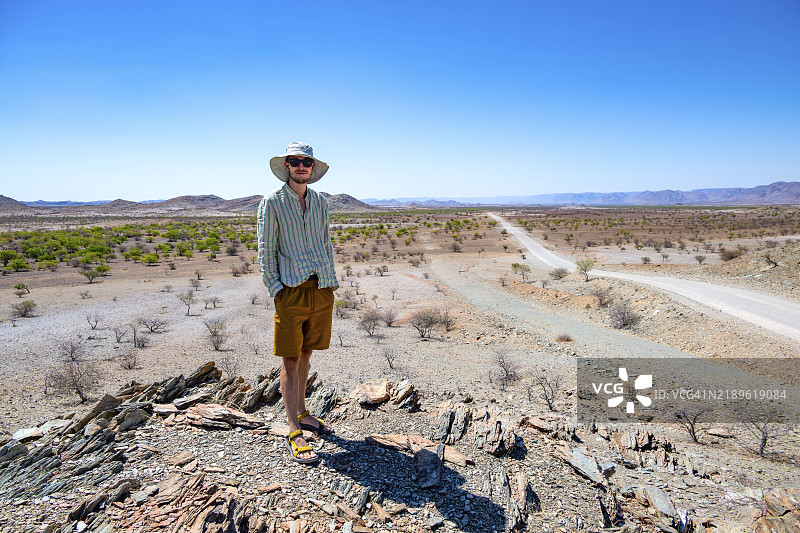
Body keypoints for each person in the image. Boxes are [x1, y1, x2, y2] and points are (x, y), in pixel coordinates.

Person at [257, 142, 339, 463]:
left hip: (320, 288)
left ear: (312, 167)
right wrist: (275, 289)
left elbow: (325, 241)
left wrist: (330, 280)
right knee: (290, 358)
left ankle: (303, 412)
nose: (301, 166)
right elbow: (266, 249)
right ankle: (293, 427)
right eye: (295, 161)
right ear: (287, 166)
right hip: (290, 289)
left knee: (307, 352)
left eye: (306, 162)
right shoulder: (272, 202)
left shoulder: (319, 202)